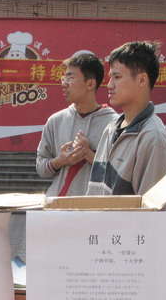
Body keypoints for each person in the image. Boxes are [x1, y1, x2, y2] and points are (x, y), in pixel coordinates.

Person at [87, 41, 166, 196]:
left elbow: (150, 208)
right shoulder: (112, 127)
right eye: (110, 77)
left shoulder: (153, 138)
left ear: (142, 80)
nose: (109, 85)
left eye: (117, 77)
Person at [36, 53, 116, 196]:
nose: (64, 84)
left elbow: (119, 175)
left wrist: (88, 154)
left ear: (90, 84)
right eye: (64, 78)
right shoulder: (55, 120)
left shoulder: (113, 123)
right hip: (57, 205)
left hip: (95, 207)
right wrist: (59, 161)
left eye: (70, 78)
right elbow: (41, 167)